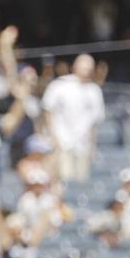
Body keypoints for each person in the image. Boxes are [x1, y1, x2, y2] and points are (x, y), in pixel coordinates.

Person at [42, 54, 104, 182]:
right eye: (84, 67)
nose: (86, 71)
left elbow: (94, 122)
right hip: (62, 142)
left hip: (83, 146)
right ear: (75, 67)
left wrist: (92, 146)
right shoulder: (59, 85)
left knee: (81, 182)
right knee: (64, 179)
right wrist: (54, 140)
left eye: (89, 68)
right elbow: (47, 110)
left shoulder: (94, 90)